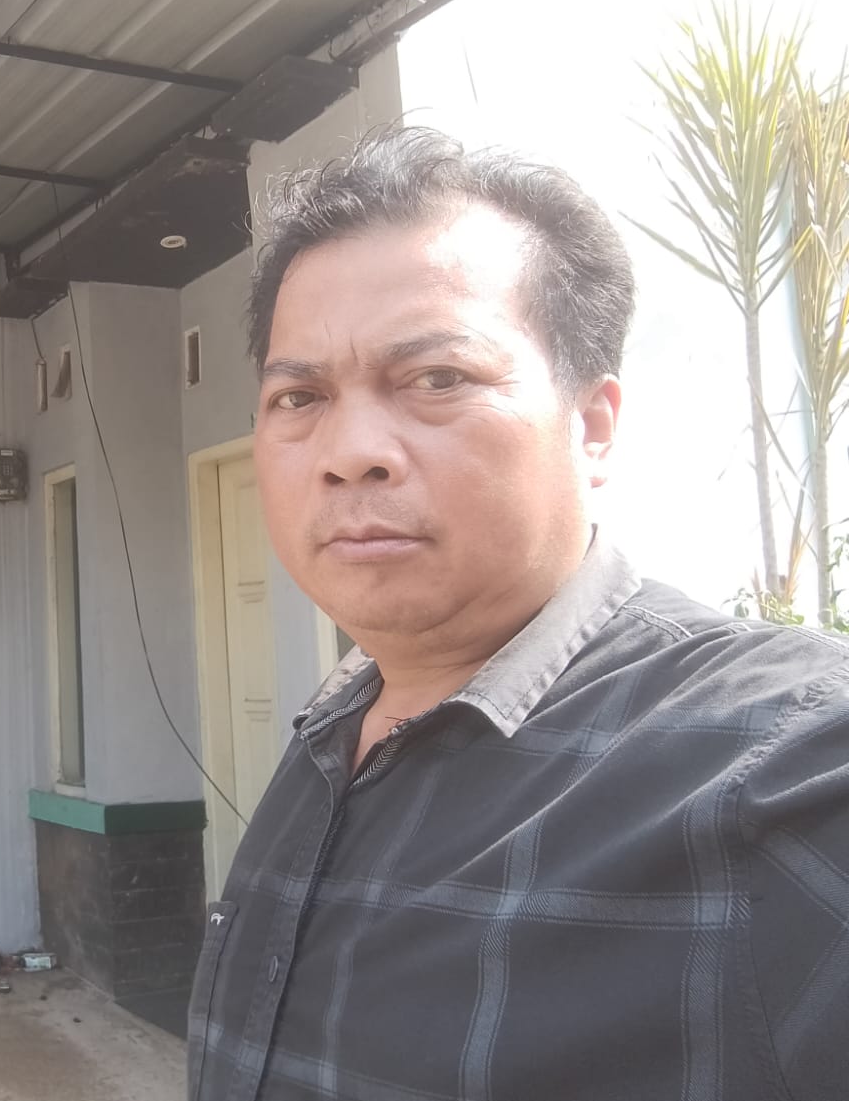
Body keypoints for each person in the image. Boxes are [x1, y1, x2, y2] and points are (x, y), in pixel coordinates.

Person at [188, 125, 849, 1101]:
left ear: (592, 425)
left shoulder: (780, 773)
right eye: (300, 395)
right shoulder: (331, 733)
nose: (350, 451)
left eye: (437, 379)